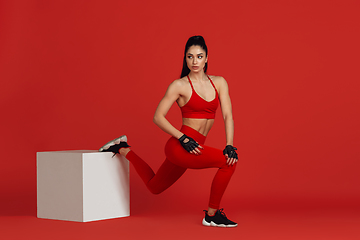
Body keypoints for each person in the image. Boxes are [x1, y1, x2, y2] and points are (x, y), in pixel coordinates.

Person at [99, 35, 239, 227]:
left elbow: (227, 116)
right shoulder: (179, 85)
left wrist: (229, 144)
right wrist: (182, 138)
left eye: (199, 56)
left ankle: (123, 148)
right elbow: (158, 116)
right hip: (180, 146)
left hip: (195, 147)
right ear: (185, 59)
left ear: (207, 58)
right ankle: (211, 215)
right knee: (228, 164)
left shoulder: (220, 82)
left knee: (154, 187)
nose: (195, 61)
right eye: (190, 57)